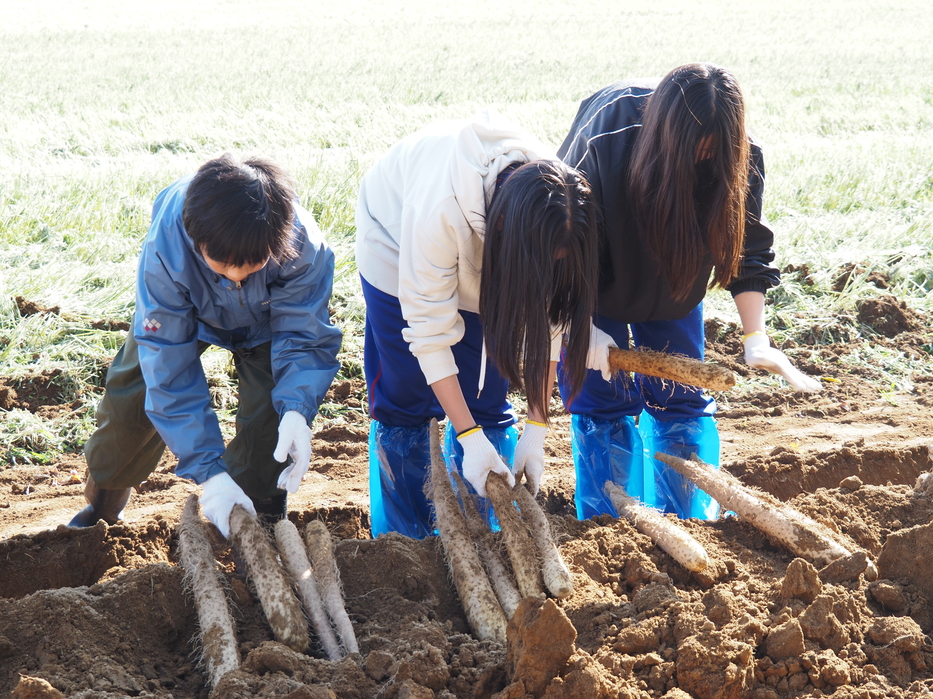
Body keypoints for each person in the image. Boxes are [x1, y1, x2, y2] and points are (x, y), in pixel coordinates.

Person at [556, 63, 821, 522]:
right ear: (666, 136)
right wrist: (580, 326)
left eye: (714, 151)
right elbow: (560, 245)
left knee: (679, 398)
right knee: (601, 400)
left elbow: (748, 248)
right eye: (696, 148)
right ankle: (608, 525)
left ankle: (686, 520)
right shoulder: (607, 135)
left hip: (677, 281)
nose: (704, 157)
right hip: (595, 278)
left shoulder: (740, 156)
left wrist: (756, 338)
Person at [68, 154, 343, 538]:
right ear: (197, 241)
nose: (235, 275)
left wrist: (297, 408)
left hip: (267, 324)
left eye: (251, 264)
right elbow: (168, 363)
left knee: (269, 431)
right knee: (130, 405)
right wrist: (209, 472)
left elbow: (304, 336)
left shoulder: (303, 246)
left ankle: (257, 529)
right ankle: (102, 510)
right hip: (185, 314)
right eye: (222, 263)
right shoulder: (168, 245)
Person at [355, 109, 600, 539]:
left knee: (486, 391)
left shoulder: (556, 209)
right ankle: (408, 542)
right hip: (396, 244)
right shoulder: (440, 209)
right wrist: (468, 436)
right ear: (504, 230)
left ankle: (486, 532)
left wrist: (536, 427)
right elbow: (429, 333)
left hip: (495, 252)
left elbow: (550, 321)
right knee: (408, 396)